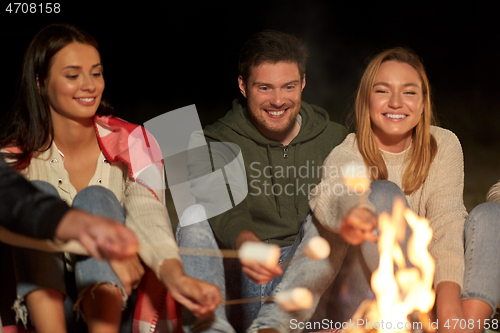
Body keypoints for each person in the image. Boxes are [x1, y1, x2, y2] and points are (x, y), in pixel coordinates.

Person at [0, 23, 220, 333]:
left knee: (96, 198)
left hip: (119, 307)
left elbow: (148, 213)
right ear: (40, 83)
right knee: (37, 195)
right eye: (73, 75)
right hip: (46, 312)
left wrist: (175, 275)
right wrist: (98, 247)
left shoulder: (133, 142)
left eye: (96, 72)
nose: (89, 85)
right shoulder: (11, 162)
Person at [309, 47, 500, 333]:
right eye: (383, 91)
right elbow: (329, 193)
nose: (396, 102)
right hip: (375, 295)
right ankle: (421, 324)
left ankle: (463, 328)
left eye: (409, 92)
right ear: (366, 100)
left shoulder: (443, 144)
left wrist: (449, 312)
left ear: (424, 103)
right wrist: (352, 212)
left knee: (492, 215)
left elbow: (447, 225)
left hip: (436, 296)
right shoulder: (350, 151)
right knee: (382, 195)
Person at [176, 30, 348, 333]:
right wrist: (247, 242)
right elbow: (223, 205)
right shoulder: (211, 140)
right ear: (243, 86)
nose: (278, 100)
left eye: (289, 86)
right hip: (249, 267)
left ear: (303, 82)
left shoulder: (335, 139)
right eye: (265, 88)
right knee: (193, 217)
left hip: (311, 271)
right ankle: (210, 327)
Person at [0, 155, 138, 260]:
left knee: (95, 196)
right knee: (40, 187)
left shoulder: (133, 140)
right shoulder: (14, 150)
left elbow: (147, 208)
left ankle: (103, 292)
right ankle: (43, 298)